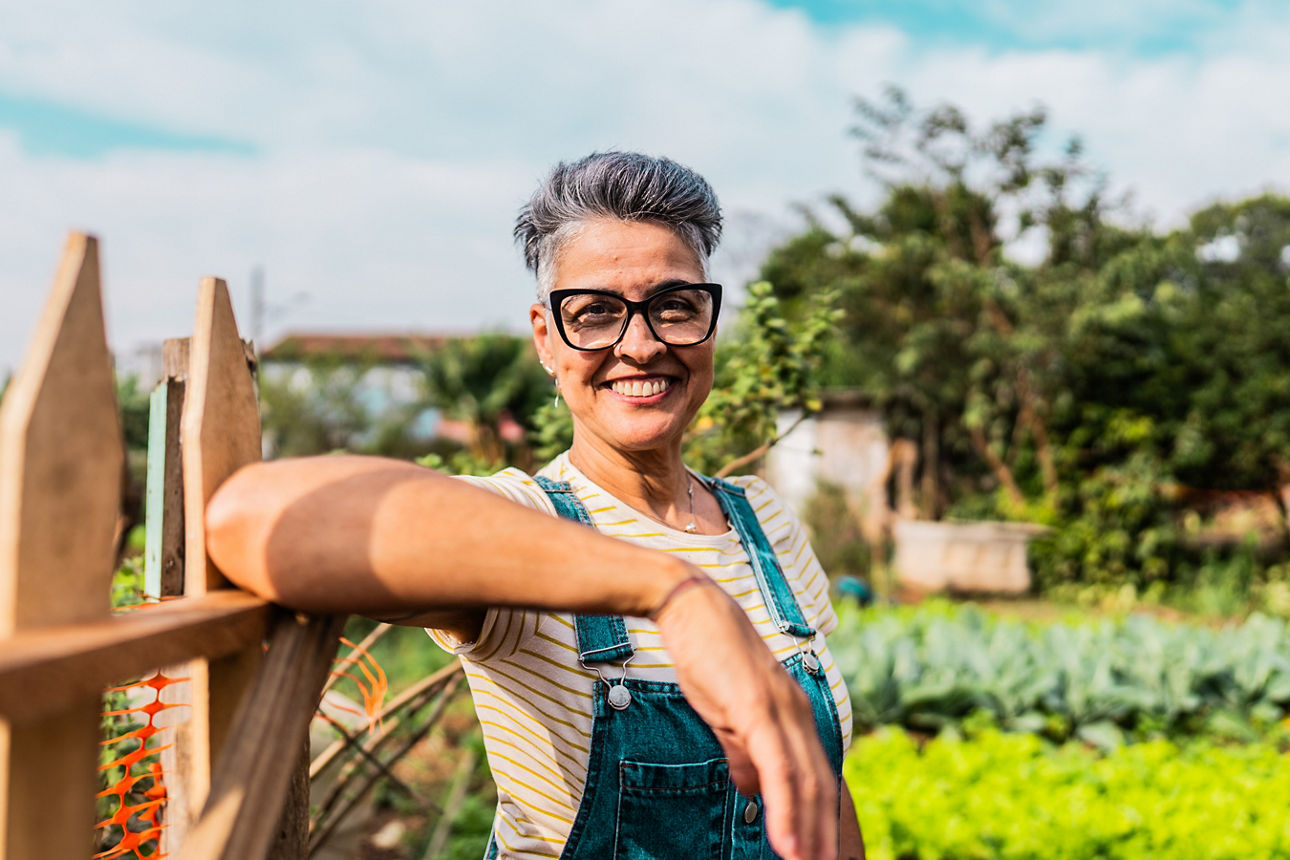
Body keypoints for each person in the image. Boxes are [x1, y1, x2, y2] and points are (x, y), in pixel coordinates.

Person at [206, 151, 864, 860]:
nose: (639, 346)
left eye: (674, 306)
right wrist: (674, 593)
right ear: (547, 339)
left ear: (707, 321)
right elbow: (256, 516)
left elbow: (821, 790)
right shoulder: (521, 526)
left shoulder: (764, 521)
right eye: (596, 313)